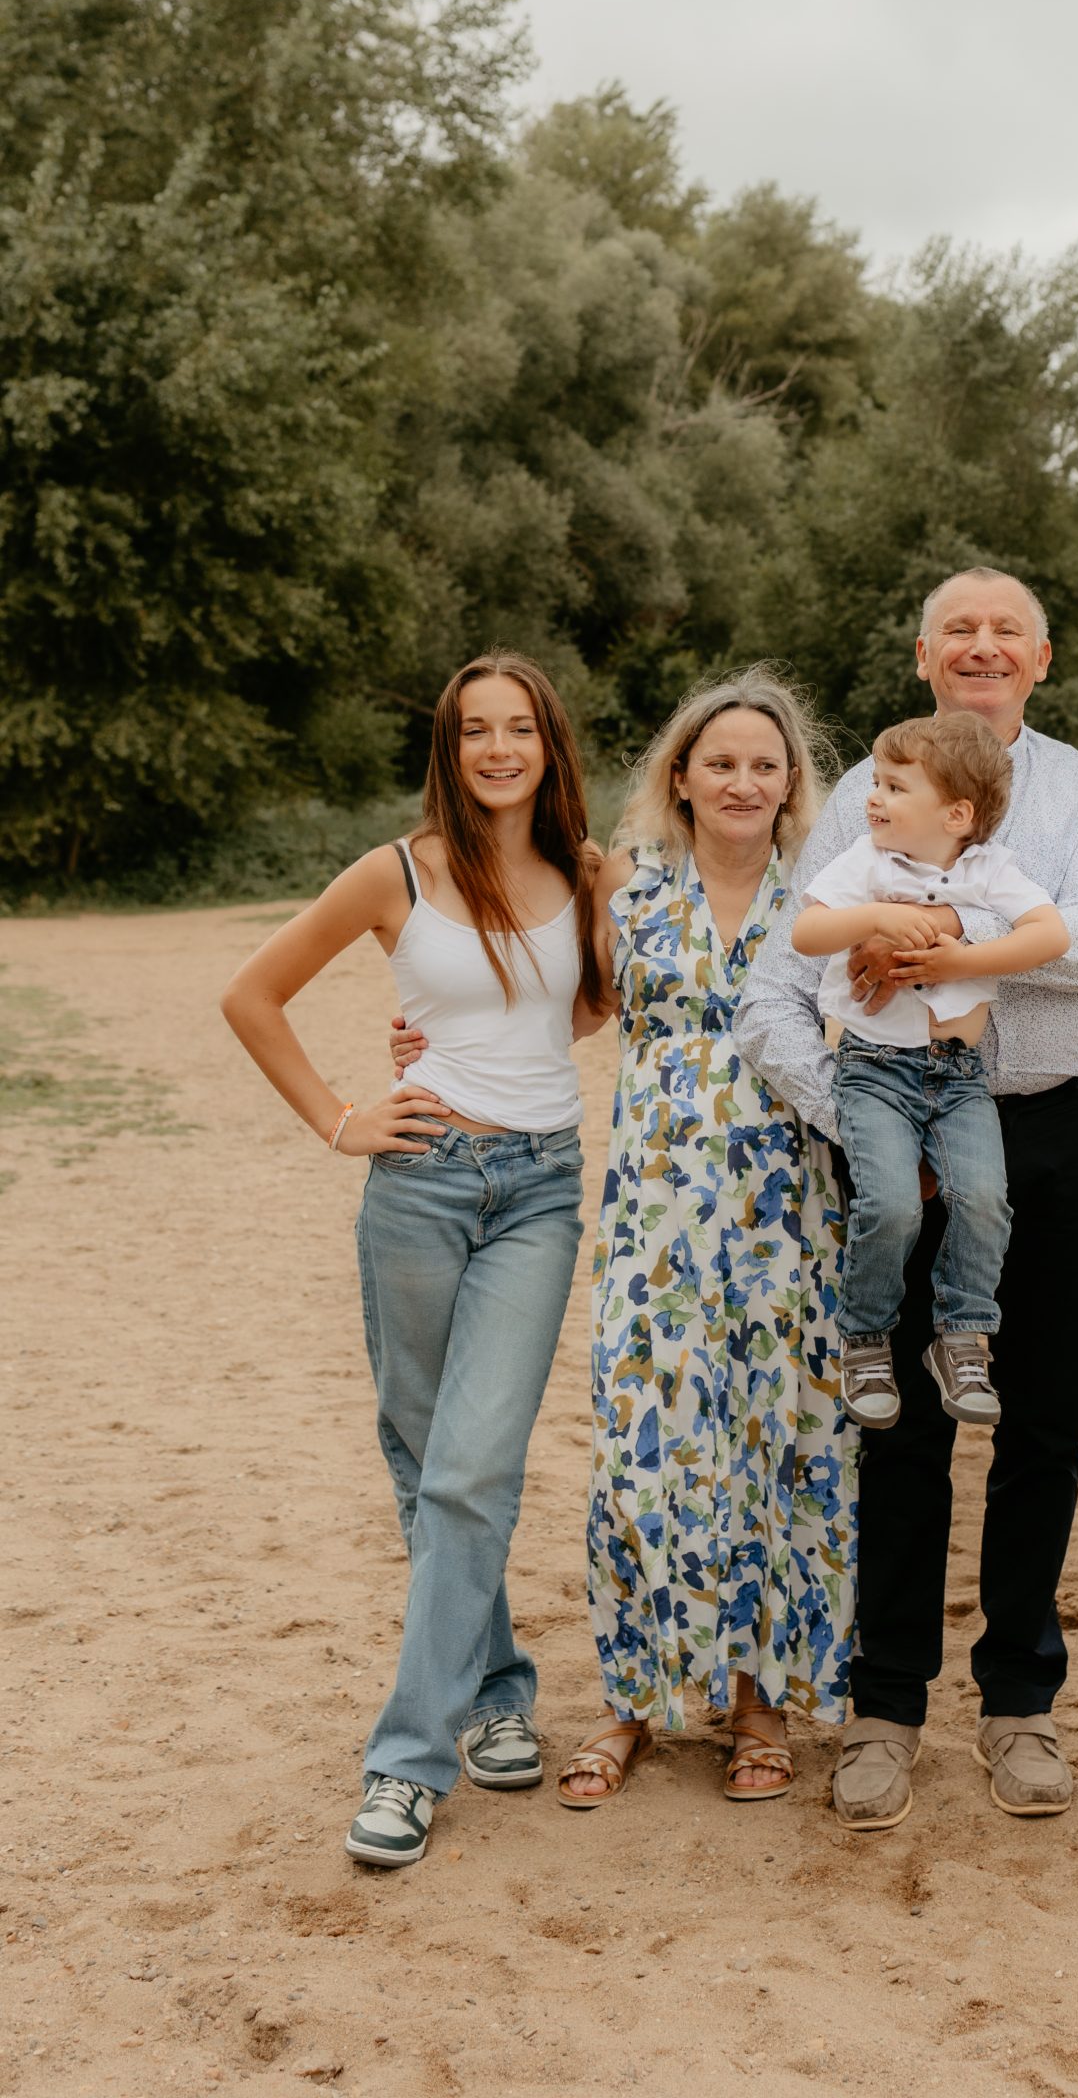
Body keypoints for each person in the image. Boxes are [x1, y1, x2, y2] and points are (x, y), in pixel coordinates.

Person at [391, 669, 855, 1807]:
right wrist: (429, 1046)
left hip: (794, 1217)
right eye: (720, 761)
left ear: (791, 781)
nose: (743, 779)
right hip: (655, 1215)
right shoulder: (624, 884)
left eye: (764, 762)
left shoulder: (834, 895)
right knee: (647, 1447)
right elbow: (565, 1005)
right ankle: (638, 1697)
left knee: (777, 1443)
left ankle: (757, 1701)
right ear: (682, 779)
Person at [738, 568, 1078, 1830]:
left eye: (1004, 630)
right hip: (890, 1125)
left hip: (1055, 1126)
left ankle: (1018, 1700)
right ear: (922, 653)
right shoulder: (864, 791)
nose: (981, 645)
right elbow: (779, 979)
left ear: (1041, 657)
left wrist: (934, 945)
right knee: (898, 1425)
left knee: (1042, 1420)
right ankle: (885, 1705)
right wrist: (854, 1128)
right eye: (957, 629)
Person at [221, 653, 600, 1869]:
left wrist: (485, 1039)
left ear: (549, 744)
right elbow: (252, 994)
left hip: (538, 1190)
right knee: (429, 1457)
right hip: (419, 1186)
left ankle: (405, 1762)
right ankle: (495, 1689)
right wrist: (344, 1118)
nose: (499, 748)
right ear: (451, 746)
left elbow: (581, 1009)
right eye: (476, 730)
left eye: (520, 728)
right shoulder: (393, 872)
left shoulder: (584, 872)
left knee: (469, 1465)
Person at [792, 712, 1068, 1432]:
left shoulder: (990, 870)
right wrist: (874, 917)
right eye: (875, 783)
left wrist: (959, 956)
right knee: (891, 1205)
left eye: (893, 785)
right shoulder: (866, 862)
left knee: (983, 1198)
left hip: (960, 1074)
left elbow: (1051, 934)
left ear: (956, 813)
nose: (873, 798)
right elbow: (807, 931)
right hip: (874, 1070)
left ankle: (962, 1338)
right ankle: (865, 1340)